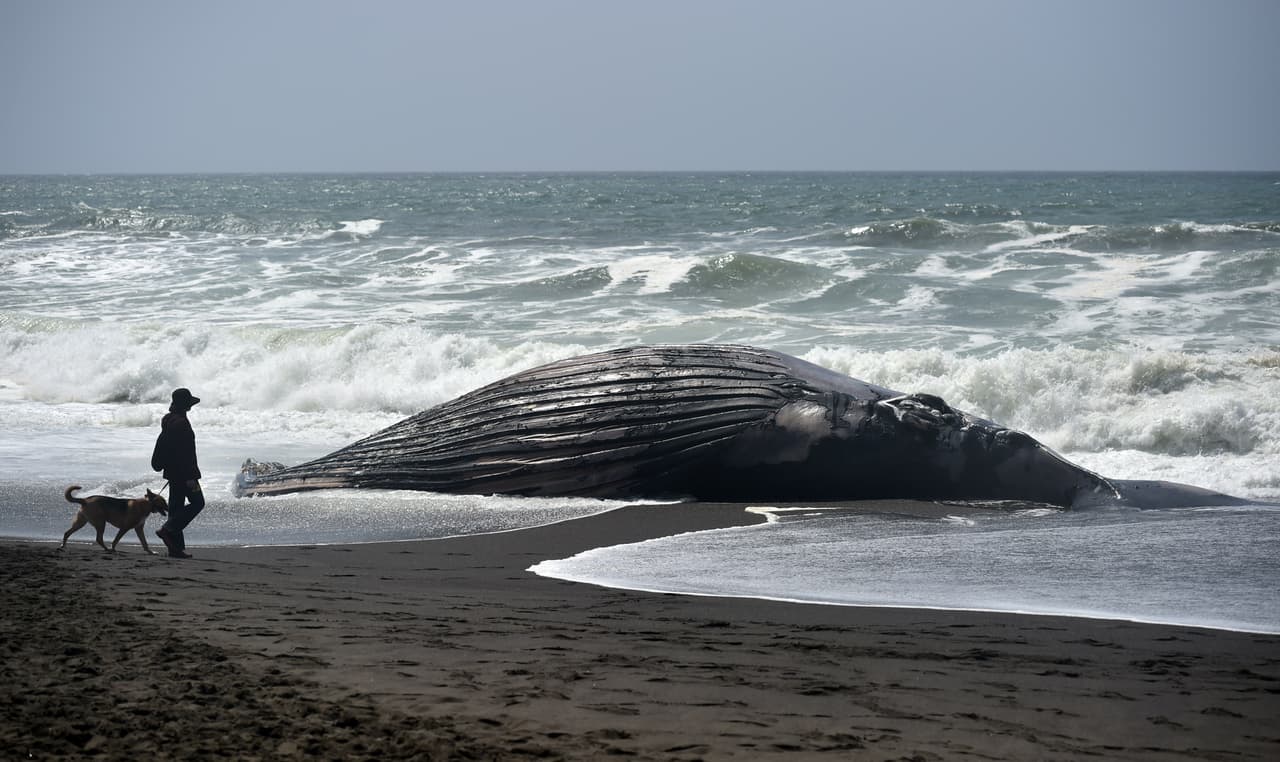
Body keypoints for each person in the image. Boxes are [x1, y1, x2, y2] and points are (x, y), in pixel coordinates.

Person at [151, 387, 205, 559]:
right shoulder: (181, 423)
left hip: (173, 473)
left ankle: (175, 549)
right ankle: (168, 529)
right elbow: (185, 453)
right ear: (185, 405)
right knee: (198, 503)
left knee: (176, 509)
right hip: (185, 474)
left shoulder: (168, 420)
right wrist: (190, 477)